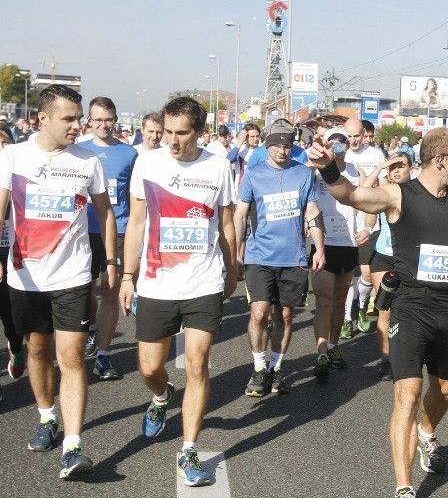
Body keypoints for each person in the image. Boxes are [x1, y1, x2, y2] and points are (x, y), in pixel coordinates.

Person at [308, 127, 448, 498]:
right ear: (440, 159)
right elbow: (352, 195)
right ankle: (404, 486)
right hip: (409, 306)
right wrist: (331, 170)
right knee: (406, 394)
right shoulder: (399, 194)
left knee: (446, 390)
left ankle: (427, 432)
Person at [118, 96, 237, 487]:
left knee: (198, 364)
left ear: (199, 132)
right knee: (150, 367)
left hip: (203, 280)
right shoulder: (148, 162)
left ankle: (188, 449)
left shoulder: (218, 166)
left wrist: (232, 267)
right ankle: (161, 395)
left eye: (181, 133)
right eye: (167, 131)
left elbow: (226, 224)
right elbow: (136, 223)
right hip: (155, 281)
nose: (171, 140)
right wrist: (127, 275)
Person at [0, 84, 117, 480]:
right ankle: (47, 417)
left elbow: (106, 213)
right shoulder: (13, 156)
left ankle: (73, 446)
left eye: (78, 117)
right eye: (69, 118)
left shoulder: (88, 161)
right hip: (25, 276)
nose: (77, 125)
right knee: (37, 350)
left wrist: (113, 260)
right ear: (42, 119)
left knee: (70, 358)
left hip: (72, 275)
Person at [235, 121, 325, 397]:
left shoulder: (303, 174)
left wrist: (320, 248)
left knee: (285, 315)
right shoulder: (253, 173)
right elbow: (240, 214)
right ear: (267, 146)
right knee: (259, 312)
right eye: (276, 146)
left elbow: (312, 211)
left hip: (294, 257)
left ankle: (276, 367)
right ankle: (259, 368)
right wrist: (236, 249)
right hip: (259, 255)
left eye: (286, 146)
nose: (282, 151)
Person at [78, 97, 138, 380]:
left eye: (108, 119)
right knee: (84, 289)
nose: (103, 125)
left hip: (120, 230)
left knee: (110, 289)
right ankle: (90, 329)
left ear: (116, 120)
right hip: (83, 230)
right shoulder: (77, 151)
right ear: (89, 121)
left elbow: (133, 198)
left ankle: (103, 355)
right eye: (97, 119)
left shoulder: (129, 154)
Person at [311, 126, 367, 379]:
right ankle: (321, 353)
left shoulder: (357, 172)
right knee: (323, 301)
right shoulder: (316, 171)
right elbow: (307, 200)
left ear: (347, 144)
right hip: (323, 242)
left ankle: (333, 347)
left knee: (339, 300)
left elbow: (367, 204)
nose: (337, 144)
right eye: (332, 140)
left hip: (348, 243)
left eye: (341, 140)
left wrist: (367, 226)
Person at [364, 152, 414, 380]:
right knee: (386, 309)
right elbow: (363, 191)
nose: (396, 170)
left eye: (400, 166)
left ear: (411, 169)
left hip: (410, 259)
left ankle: (406, 356)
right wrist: (380, 166)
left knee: (408, 311)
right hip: (384, 257)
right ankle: (386, 360)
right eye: (392, 167)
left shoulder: (419, 193)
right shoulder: (384, 191)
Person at [341, 117, 386, 337]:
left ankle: (361, 305)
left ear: (364, 134)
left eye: (356, 136)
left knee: (367, 274)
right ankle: (348, 318)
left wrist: (374, 221)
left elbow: (383, 188)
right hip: (344, 222)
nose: (352, 140)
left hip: (370, 219)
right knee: (349, 275)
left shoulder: (376, 154)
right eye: (348, 137)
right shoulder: (342, 153)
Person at [0, 125, 25, 403]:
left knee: (11, 317)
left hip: (13, 250)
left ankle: (16, 346)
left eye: (5, 142)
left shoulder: (19, 176)